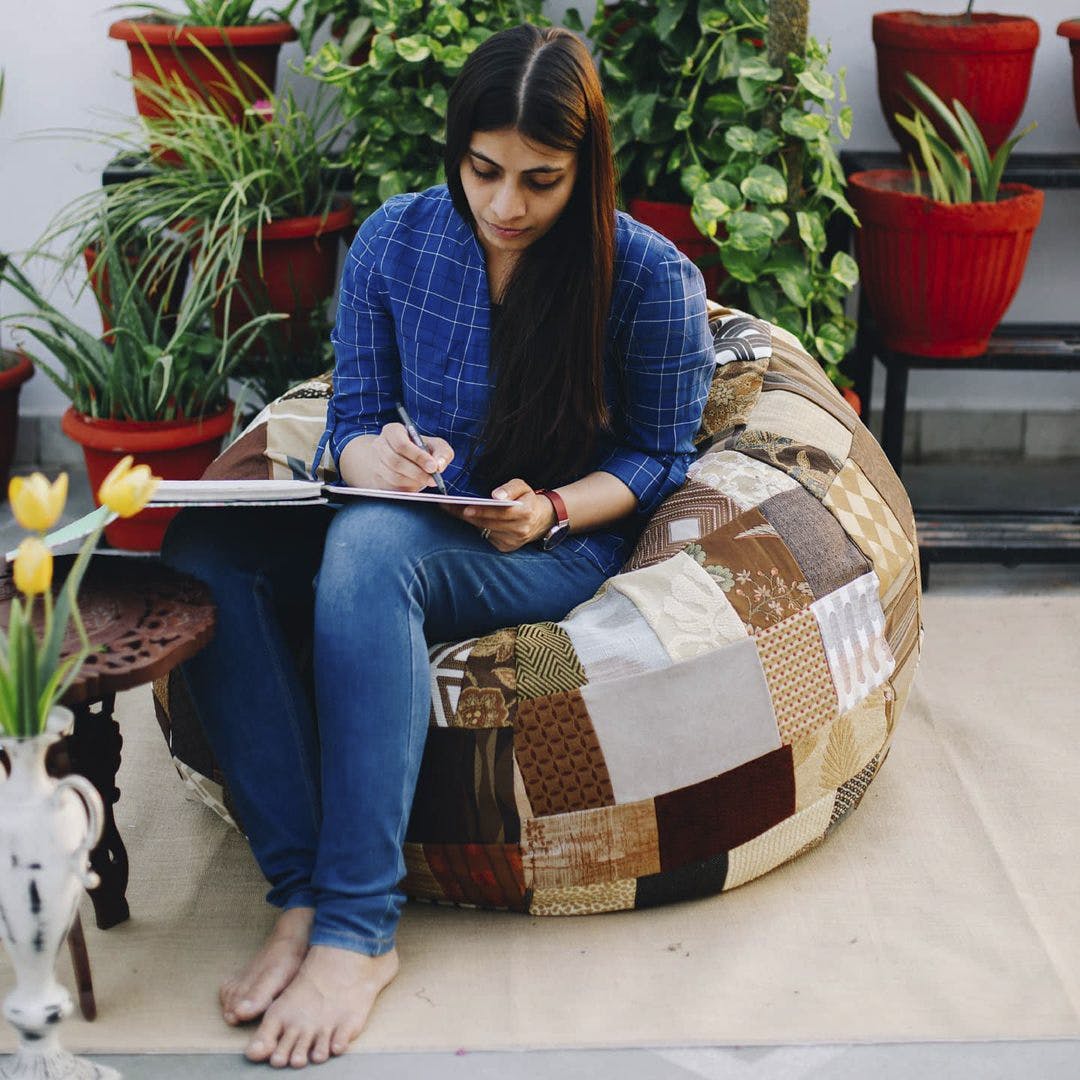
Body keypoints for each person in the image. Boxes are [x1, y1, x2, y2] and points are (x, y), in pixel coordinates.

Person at [162, 22, 713, 1069]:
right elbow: (353, 413)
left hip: (548, 544)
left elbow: (655, 458)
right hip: (411, 519)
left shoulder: (646, 277)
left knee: (369, 552)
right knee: (208, 545)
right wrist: (372, 460)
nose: (508, 206)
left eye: (542, 180)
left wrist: (548, 508)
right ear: (456, 151)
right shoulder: (394, 241)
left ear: (583, 168)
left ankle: (359, 932)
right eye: (484, 171)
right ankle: (303, 891)